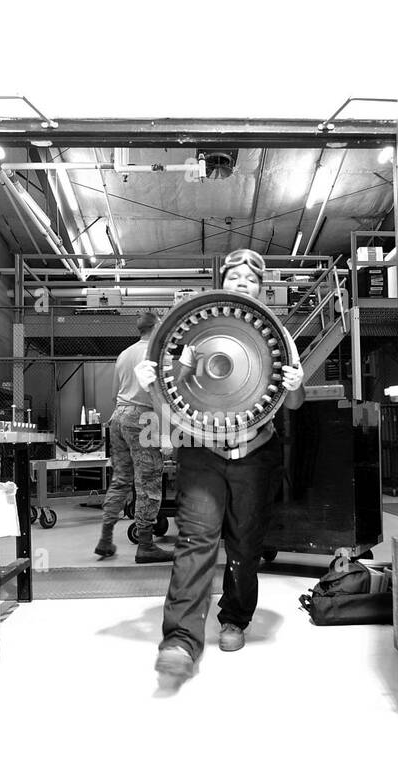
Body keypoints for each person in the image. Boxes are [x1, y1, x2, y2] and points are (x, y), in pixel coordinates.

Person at [134, 248, 305, 681]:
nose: (242, 282)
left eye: (251, 278)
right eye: (235, 277)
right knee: (196, 540)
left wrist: (298, 385)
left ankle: (234, 618)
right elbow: (175, 386)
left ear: (263, 289)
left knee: (245, 544)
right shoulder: (198, 335)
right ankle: (180, 640)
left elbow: (294, 402)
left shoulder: (278, 337)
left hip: (254, 452)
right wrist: (149, 382)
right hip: (201, 449)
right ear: (223, 283)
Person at [95, 311, 173, 563]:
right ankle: (146, 545)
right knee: (148, 481)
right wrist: (164, 434)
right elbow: (160, 395)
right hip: (142, 417)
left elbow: (119, 390)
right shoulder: (159, 354)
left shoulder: (124, 354)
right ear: (158, 325)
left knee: (120, 479)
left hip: (118, 416)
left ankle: (106, 539)